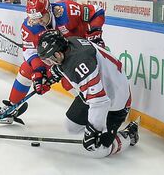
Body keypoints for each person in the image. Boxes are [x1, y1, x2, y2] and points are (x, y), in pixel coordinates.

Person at [0, 0, 105, 122]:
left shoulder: (68, 11)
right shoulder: (29, 26)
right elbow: (30, 51)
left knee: (69, 82)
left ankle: (96, 110)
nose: (38, 22)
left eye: (40, 17)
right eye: (33, 18)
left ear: (49, 10)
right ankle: (12, 107)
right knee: (27, 69)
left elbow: (96, 11)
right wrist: (39, 73)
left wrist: (95, 34)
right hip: (57, 57)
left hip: (81, 54)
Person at [36, 30, 139, 158]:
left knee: (99, 150)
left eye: (50, 60)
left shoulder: (80, 63)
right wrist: (57, 71)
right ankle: (101, 129)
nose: (50, 64)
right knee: (71, 127)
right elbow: (70, 64)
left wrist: (94, 129)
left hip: (117, 102)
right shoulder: (70, 43)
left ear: (57, 53)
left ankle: (130, 133)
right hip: (99, 90)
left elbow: (100, 101)